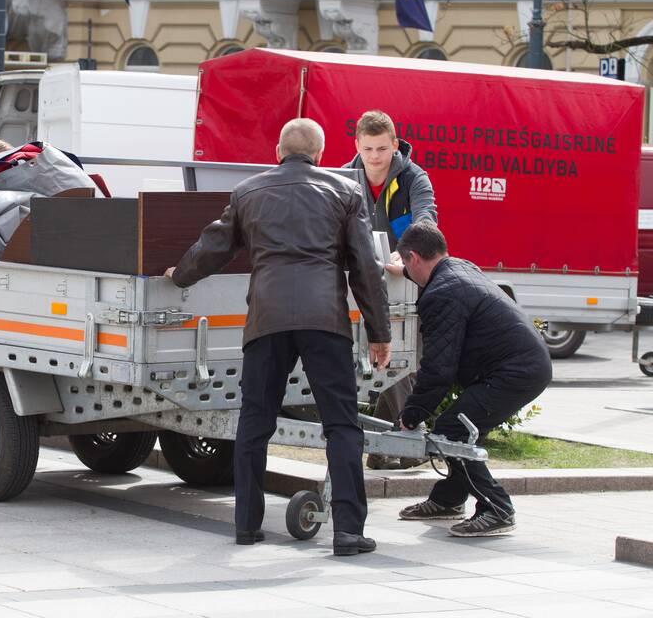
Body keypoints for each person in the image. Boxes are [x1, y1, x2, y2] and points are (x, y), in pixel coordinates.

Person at [165, 118, 392, 556]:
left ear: (277, 152)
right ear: (321, 155)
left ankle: (247, 525)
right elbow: (367, 267)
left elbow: (213, 247)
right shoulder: (345, 192)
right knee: (342, 425)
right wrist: (379, 332)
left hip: (266, 320)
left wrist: (180, 275)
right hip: (325, 319)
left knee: (255, 421)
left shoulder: (249, 192)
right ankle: (347, 532)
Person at [394, 222, 551, 537]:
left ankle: (497, 509)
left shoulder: (441, 292)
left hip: (515, 371)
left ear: (412, 258)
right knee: (461, 428)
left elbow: (438, 367)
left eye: (405, 267)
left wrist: (412, 414)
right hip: (523, 365)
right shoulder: (460, 269)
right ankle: (448, 500)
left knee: (453, 430)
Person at [342, 109, 438, 470]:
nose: (375, 157)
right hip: (360, 281)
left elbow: (426, 217)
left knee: (400, 360)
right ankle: (391, 445)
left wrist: (407, 248)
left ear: (395, 145)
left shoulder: (414, 178)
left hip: (403, 280)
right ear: (357, 145)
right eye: (368, 149)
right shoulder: (343, 177)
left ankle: (407, 439)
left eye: (382, 148)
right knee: (394, 361)